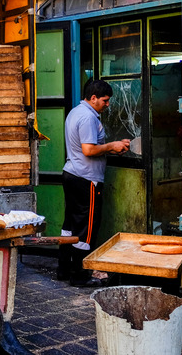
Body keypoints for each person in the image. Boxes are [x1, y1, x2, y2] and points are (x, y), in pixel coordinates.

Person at [58, 80, 130, 286]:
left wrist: (111, 147)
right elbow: (88, 150)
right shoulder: (88, 117)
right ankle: (80, 276)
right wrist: (111, 146)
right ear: (93, 98)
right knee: (86, 229)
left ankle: (64, 269)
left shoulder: (75, 112)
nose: (107, 104)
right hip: (86, 178)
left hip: (72, 173)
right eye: (105, 101)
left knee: (70, 226)